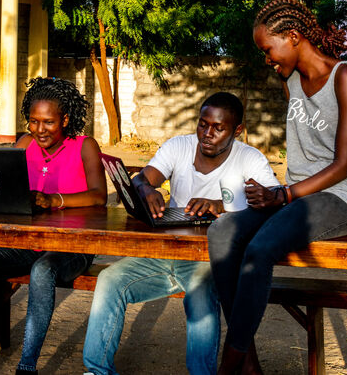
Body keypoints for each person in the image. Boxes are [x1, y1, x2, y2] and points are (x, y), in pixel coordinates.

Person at [208, 0, 347, 374]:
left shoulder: (345, 77)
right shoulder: (291, 82)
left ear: (294, 36)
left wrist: (282, 195)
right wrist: (277, 194)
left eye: (268, 49)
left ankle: (228, 366)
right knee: (222, 233)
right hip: (297, 195)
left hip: (345, 195)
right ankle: (247, 363)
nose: (267, 59)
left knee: (260, 248)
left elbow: (345, 165)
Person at [83, 92, 279, 375]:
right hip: (164, 254)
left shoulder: (250, 158)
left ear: (237, 131)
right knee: (110, 279)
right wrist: (147, 189)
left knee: (199, 296)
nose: (207, 134)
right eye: (202, 124)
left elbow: (272, 200)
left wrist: (220, 206)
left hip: (208, 261)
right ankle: (97, 371)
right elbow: (141, 177)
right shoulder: (179, 146)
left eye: (218, 128)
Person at [0, 77, 107, 375]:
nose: (40, 130)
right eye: (34, 121)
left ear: (65, 119)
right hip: (25, 244)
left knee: (43, 270)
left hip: (71, 248)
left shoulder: (84, 146)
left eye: (49, 122)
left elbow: (99, 196)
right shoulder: (24, 144)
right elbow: (3, 184)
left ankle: (27, 368)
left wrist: (55, 200)